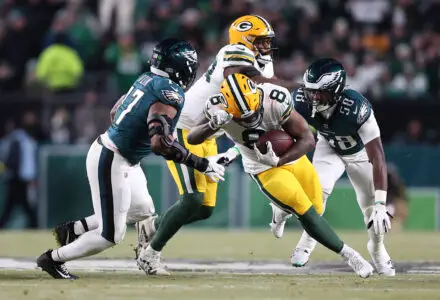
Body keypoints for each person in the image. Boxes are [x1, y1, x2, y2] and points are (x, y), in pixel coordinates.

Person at [36, 38, 225, 279]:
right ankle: (52, 259)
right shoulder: (170, 93)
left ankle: (74, 229)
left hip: (122, 156)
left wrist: (132, 131)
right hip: (112, 157)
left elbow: (116, 110)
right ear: (180, 67)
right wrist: (201, 163)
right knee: (111, 236)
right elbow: (161, 144)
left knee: (143, 212)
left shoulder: (146, 79)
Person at [133, 15, 300, 275]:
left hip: (210, 132)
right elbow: (258, 85)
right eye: (262, 41)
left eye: (268, 41)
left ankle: (151, 226)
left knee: (204, 209)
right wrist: (301, 89)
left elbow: (261, 102)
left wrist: (236, 149)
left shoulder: (263, 64)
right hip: (185, 127)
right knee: (192, 199)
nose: (267, 46)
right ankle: (150, 254)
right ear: (245, 39)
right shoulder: (233, 53)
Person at [187, 73, 374, 278]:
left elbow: (307, 139)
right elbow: (192, 137)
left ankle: (279, 211)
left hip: (291, 157)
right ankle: (350, 255)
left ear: (257, 95)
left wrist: (279, 160)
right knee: (304, 209)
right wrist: (212, 125)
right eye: (244, 117)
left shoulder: (275, 98)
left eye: (253, 112)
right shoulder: (217, 107)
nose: (251, 119)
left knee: (317, 205)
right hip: (262, 168)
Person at [281, 58, 395, 276]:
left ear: (335, 89)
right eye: (310, 90)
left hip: (359, 154)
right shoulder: (301, 101)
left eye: (319, 92)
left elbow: (378, 157)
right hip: (329, 146)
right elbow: (283, 130)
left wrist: (382, 202)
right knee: (318, 191)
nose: (313, 96)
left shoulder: (357, 108)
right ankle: (307, 241)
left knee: (372, 210)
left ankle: (378, 248)